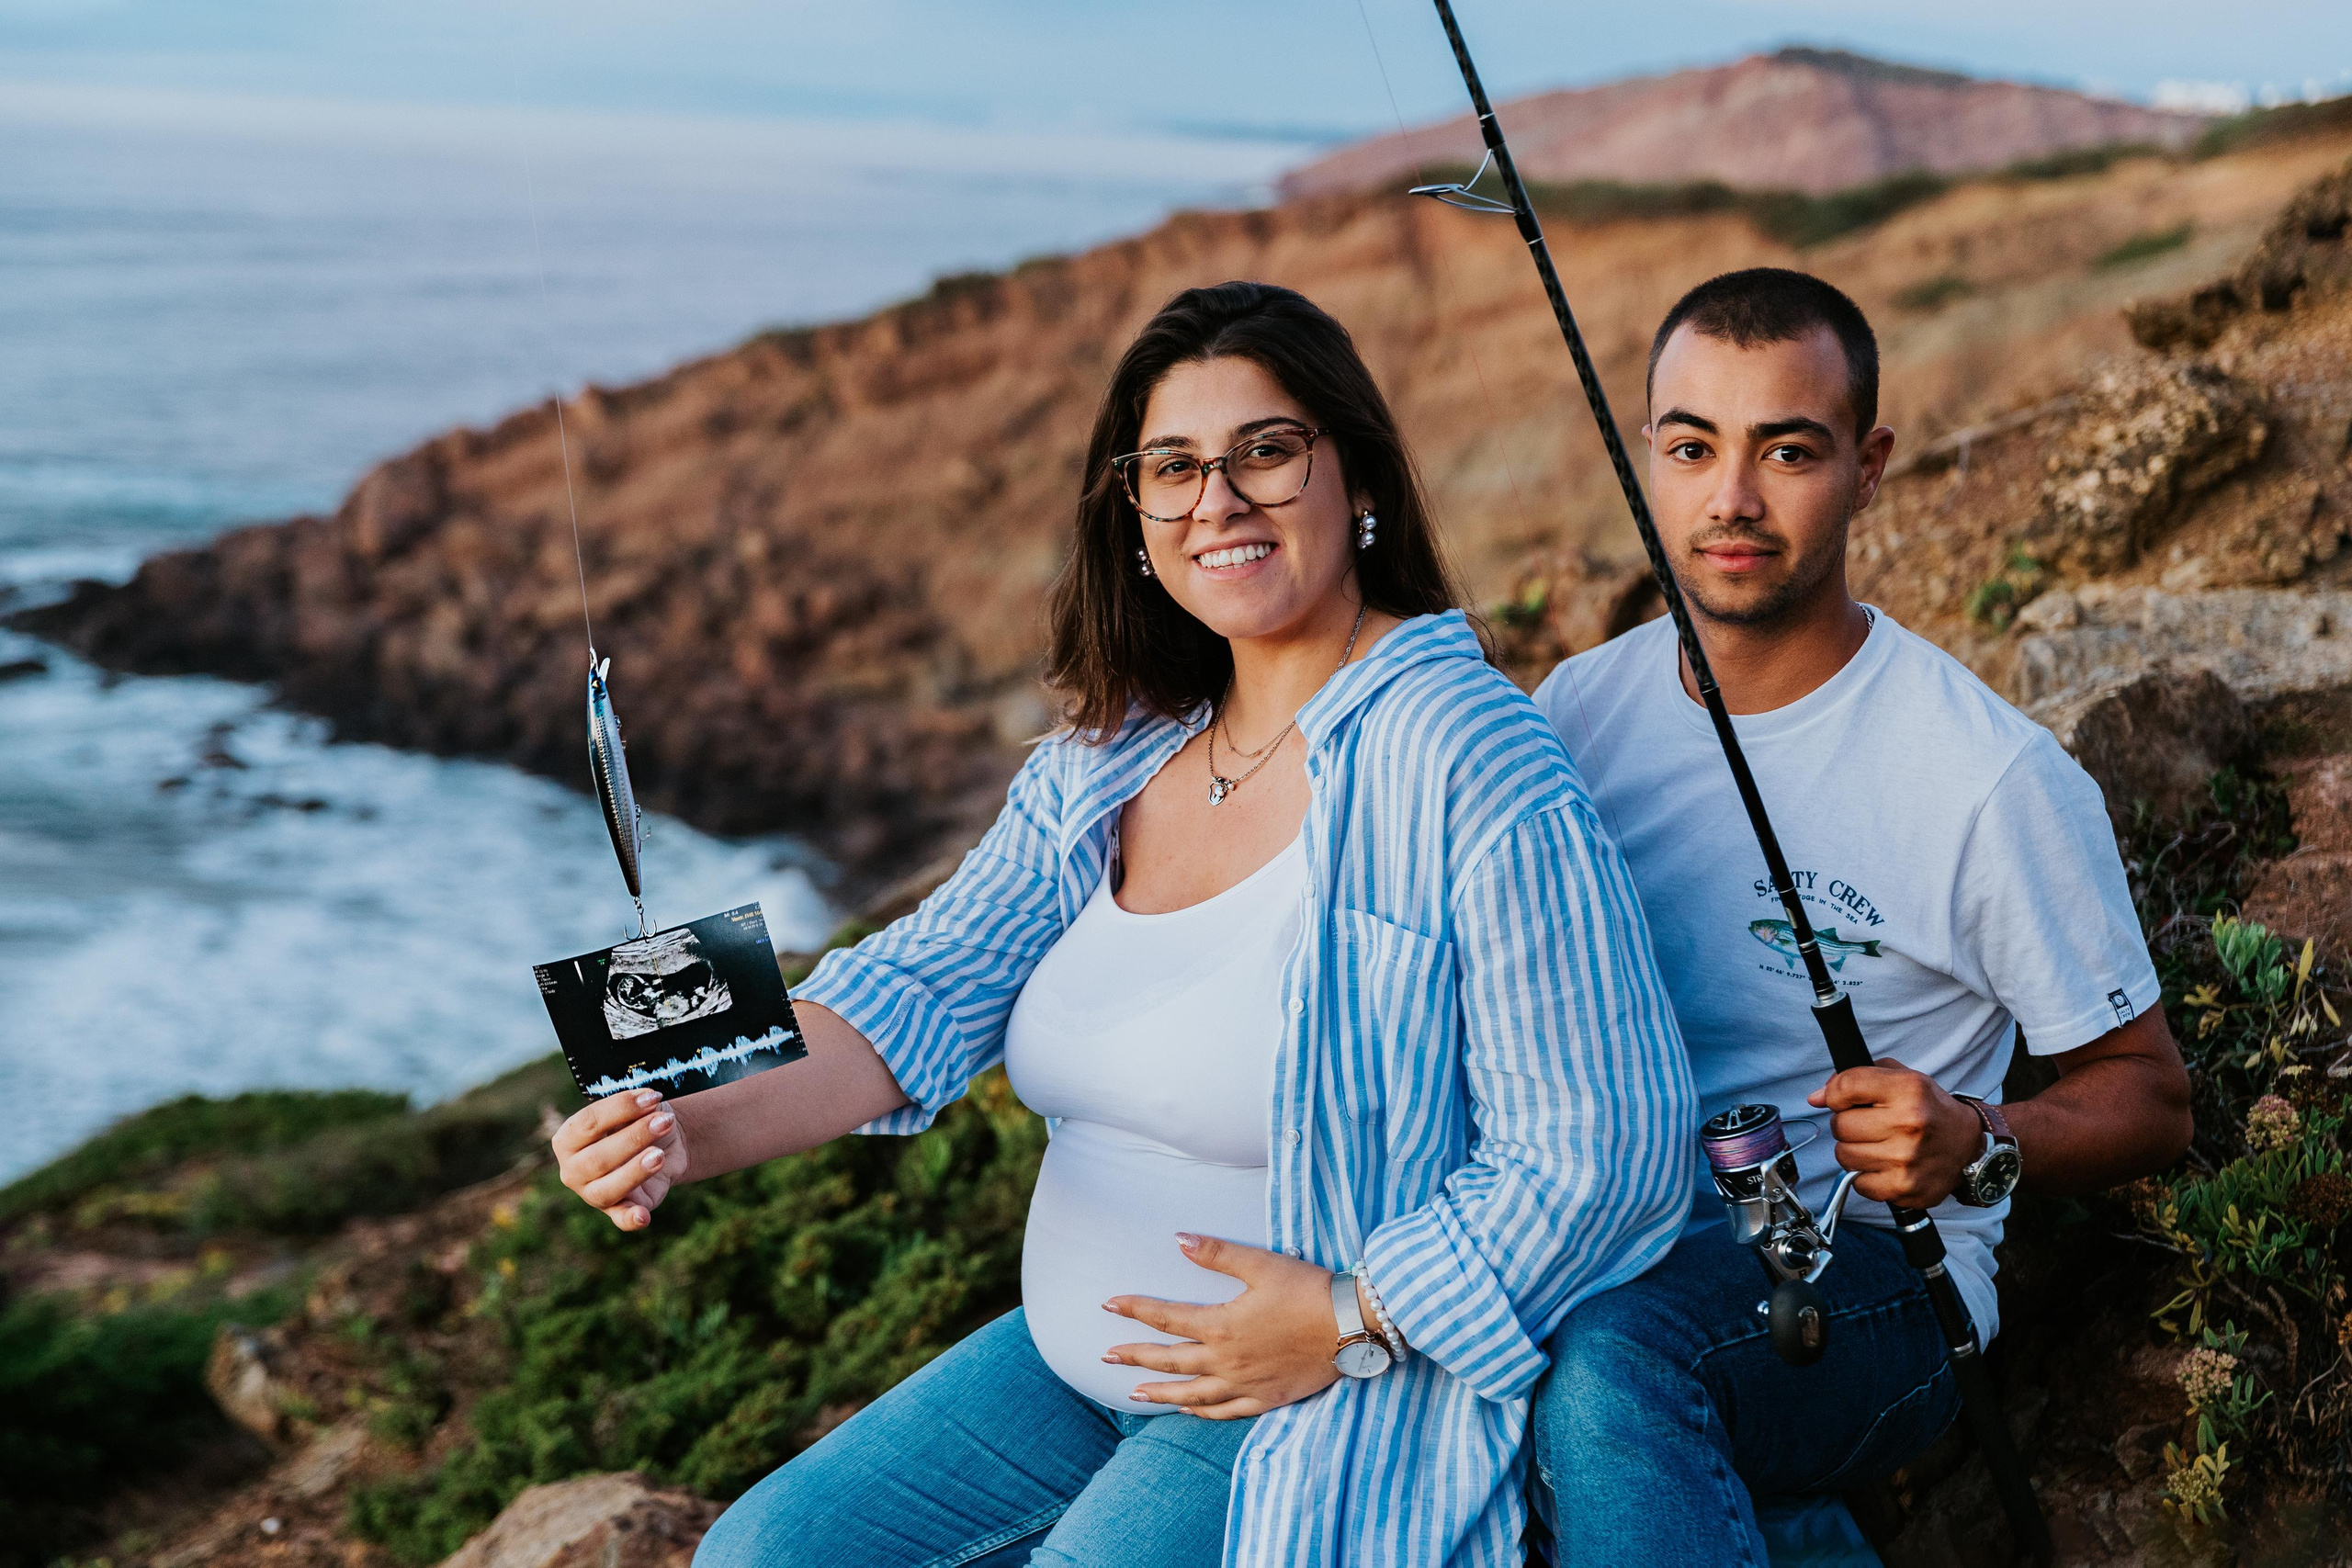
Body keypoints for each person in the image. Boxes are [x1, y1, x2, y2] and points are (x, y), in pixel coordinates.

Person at [551, 281, 1698, 1568]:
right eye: (1174, 467)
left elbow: (1608, 1145)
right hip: (1066, 1378)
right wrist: (678, 1122)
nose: (1219, 500)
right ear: (1137, 513)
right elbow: (916, 985)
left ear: (1359, 479)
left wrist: (1353, 1314)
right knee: (764, 1554)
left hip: (1309, 1395)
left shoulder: (1466, 755)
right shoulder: (1112, 756)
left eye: (1267, 451)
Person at [1526, 267, 2195, 1565]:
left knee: (1614, 1372)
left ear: (1869, 466)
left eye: (1787, 451)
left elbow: (2151, 1099)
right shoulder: (1572, 713)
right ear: (1646, 455)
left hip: (1879, 1276)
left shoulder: (1988, 779)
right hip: (1609, 1233)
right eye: (1692, 448)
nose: (1732, 498)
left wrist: (1977, 1136)